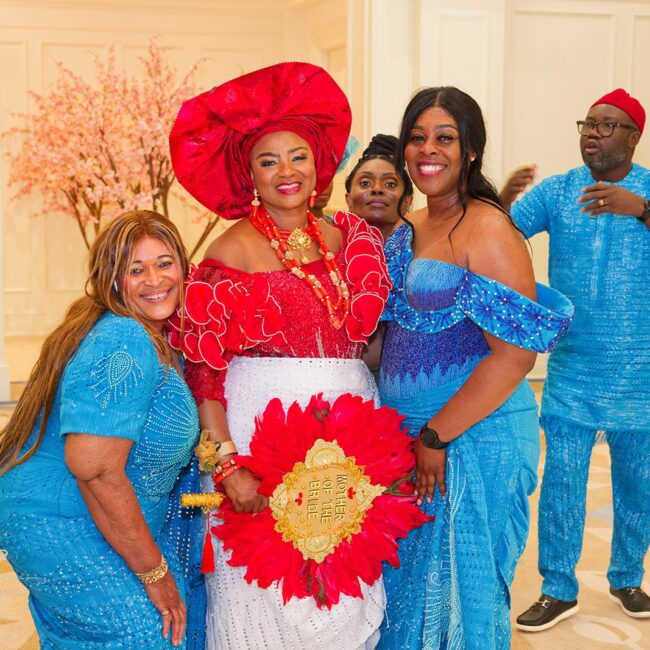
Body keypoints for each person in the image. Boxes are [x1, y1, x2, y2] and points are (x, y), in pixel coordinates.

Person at [168, 62, 393, 649]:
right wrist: (226, 466)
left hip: (350, 438)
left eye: (297, 156)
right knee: (264, 586)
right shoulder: (229, 252)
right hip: (257, 436)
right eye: (268, 162)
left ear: (320, 164)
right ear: (250, 175)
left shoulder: (351, 238)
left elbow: (369, 342)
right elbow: (204, 375)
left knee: (343, 586)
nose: (286, 171)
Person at [376, 86, 574, 649]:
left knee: (460, 598)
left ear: (471, 150)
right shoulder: (410, 224)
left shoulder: (487, 228)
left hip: (471, 436)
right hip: (408, 437)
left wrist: (436, 435)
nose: (427, 150)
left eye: (444, 137)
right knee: (406, 596)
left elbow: (515, 355)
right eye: (417, 137)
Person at [0, 211, 200, 648]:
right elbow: (94, 468)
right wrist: (154, 572)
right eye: (135, 269)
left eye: (164, 263)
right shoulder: (125, 339)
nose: (154, 279)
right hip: (65, 522)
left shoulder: (150, 336)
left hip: (95, 519)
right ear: (112, 280)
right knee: (148, 634)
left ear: (184, 267)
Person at [506, 88, 650, 631]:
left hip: (642, 371)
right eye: (588, 123)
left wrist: (643, 210)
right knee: (563, 482)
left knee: (639, 485)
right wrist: (502, 197)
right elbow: (501, 233)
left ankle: (627, 578)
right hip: (572, 367)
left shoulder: (648, 191)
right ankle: (558, 589)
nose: (593, 133)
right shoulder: (560, 191)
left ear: (633, 137)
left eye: (607, 125)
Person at [345, 133, 414, 240]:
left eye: (390, 184)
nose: (377, 189)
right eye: (365, 183)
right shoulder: (329, 245)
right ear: (349, 199)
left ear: (407, 201)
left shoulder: (426, 246)